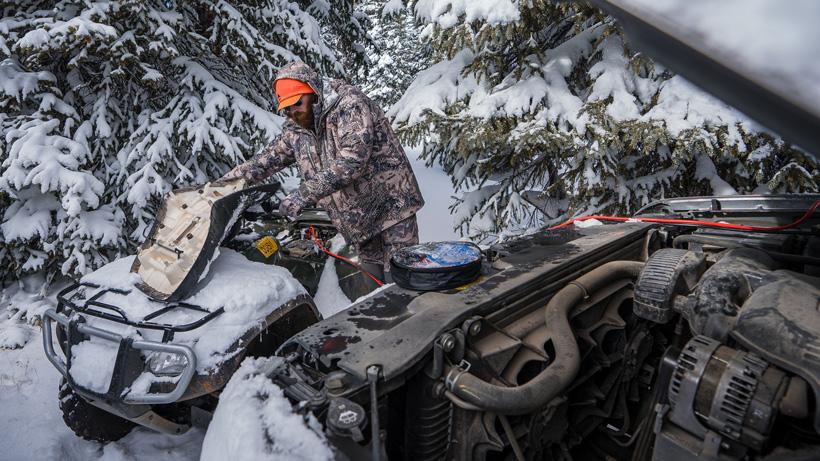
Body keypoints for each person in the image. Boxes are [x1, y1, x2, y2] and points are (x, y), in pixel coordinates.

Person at [221, 62, 424, 281]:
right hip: (360, 220)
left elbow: (352, 161)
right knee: (374, 283)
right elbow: (266, 160)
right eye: (287, 108)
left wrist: (303, 194)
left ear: (313, 91)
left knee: (403, 280)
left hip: (391, 208)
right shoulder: (297, 129)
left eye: (297, 103)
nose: (293, 112)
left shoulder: (348, 105)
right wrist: (223, 185)